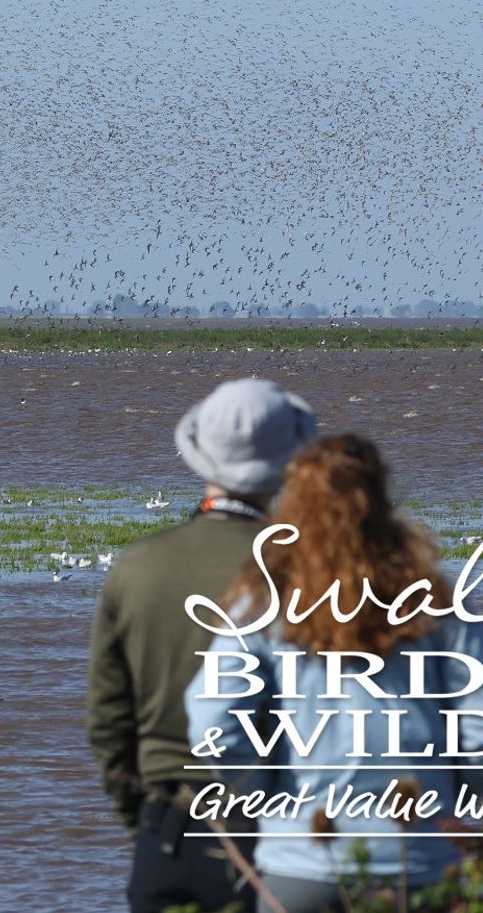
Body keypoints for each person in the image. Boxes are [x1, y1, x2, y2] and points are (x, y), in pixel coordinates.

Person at [183, 434, 483, 913]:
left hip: (301, 864)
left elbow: (213, 724)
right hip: (423, 864)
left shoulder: (260, 603)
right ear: (382, 499)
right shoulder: (439, 603)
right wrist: (447, 802)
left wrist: (266, 801)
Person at [87, 377, 317, 912]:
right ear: (288, 463)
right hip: (276, 837)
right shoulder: (306, 572)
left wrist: (144, 824)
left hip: (166, 832)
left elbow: (108, 724)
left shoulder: (136, 566)